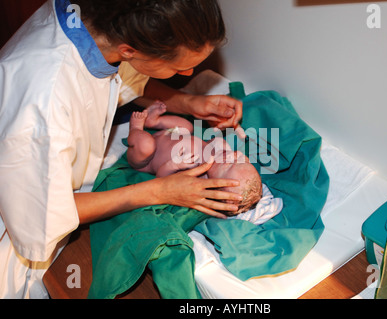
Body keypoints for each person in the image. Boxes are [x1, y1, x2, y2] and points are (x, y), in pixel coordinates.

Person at [0, 0, 243, 298]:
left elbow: (122, 78)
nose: (190, 72)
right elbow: (43, 216)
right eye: (179, 67)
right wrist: (160, 191)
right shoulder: (43, 106)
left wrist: (187, 102)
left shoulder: (93, 23)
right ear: (130, 49)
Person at [127, 100, 263, 215]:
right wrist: (218, 143)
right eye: (242, 159)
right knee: (187, 127)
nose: (234, 155)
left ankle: (136, 128)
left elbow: (161, 179)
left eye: (228, 164)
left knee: (146, 145)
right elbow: (211, 142)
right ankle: (154, 122)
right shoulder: (220, 154)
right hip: (169, 134)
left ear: (214, 185)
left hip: (146, 158)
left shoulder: (195, 177)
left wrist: (174, 165)